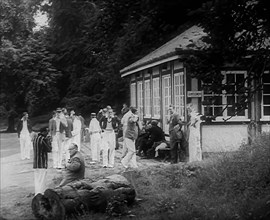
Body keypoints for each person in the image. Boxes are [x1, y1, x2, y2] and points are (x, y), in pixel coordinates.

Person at [33, 127, 52, 195]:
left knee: (37, 180)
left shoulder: (35, 138)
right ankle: (41, 194)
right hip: (42, 163)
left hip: (35, 163)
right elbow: (49, 149)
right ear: (43, 132)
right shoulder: (43, 139)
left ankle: (37, 193)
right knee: (42, 180)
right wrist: (49, 141)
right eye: (46, 132)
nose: (47, 133)